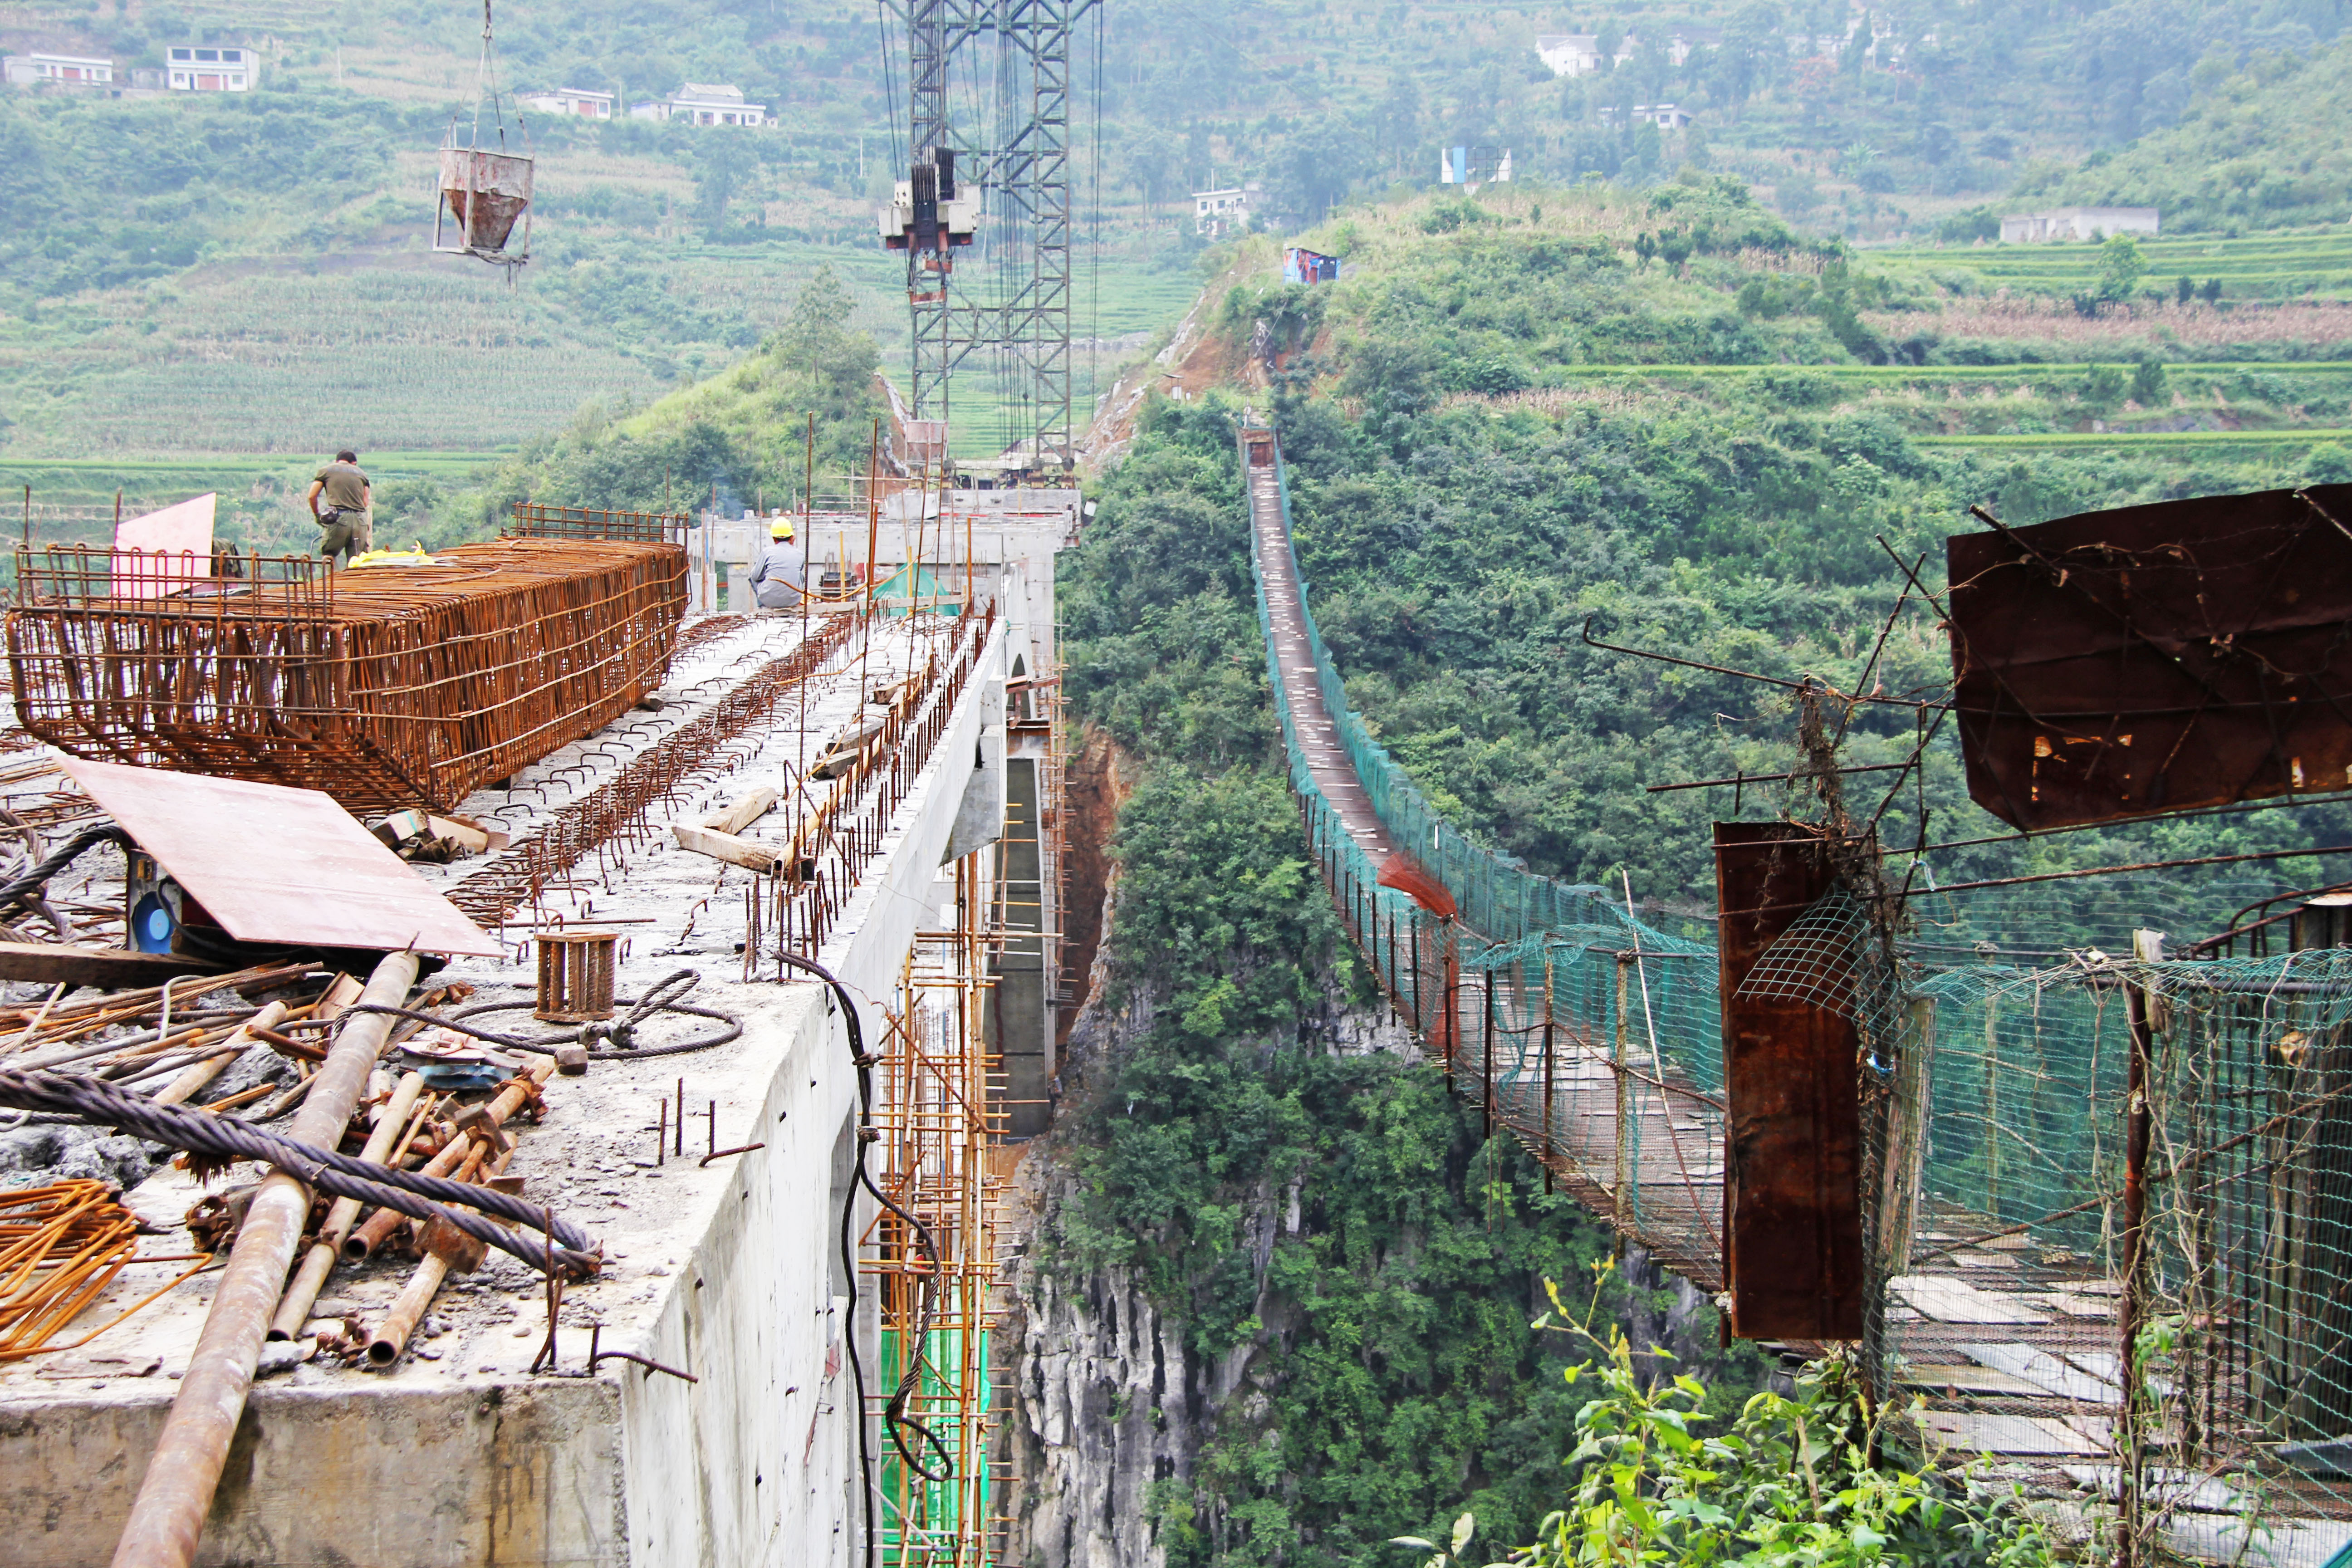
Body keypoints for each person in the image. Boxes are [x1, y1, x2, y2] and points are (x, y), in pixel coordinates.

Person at [305, 450, 372, 564]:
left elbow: (312, 496)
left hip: (339, 519)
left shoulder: (326, 471)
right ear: (354, 463)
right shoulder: (362, 474)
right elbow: (365, 502)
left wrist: (318, 515)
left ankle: (331, 579)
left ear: (337, 461)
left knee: (329, 555)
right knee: (357, 561)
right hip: (360, 521)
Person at [748, 515, 807, 611]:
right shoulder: (800, 554)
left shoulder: (767, 552)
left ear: (774, 538)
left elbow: (755, 577)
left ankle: (762, 605)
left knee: (753, 576)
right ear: (792, 537)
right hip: (793, 601)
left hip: (769, 601)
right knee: (800, 575)